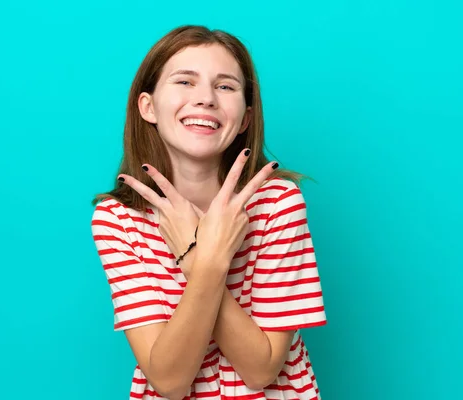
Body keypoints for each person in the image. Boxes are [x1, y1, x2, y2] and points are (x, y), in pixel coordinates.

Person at [91, 25, 327, 400]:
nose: (206, 99)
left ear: (246, 118)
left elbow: (262, 369)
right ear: (147, 106)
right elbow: (169, 382)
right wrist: (207, 261)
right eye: (185, 82)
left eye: (226, 86)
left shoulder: (277, 203)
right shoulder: (118, 219)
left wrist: (193, 254)